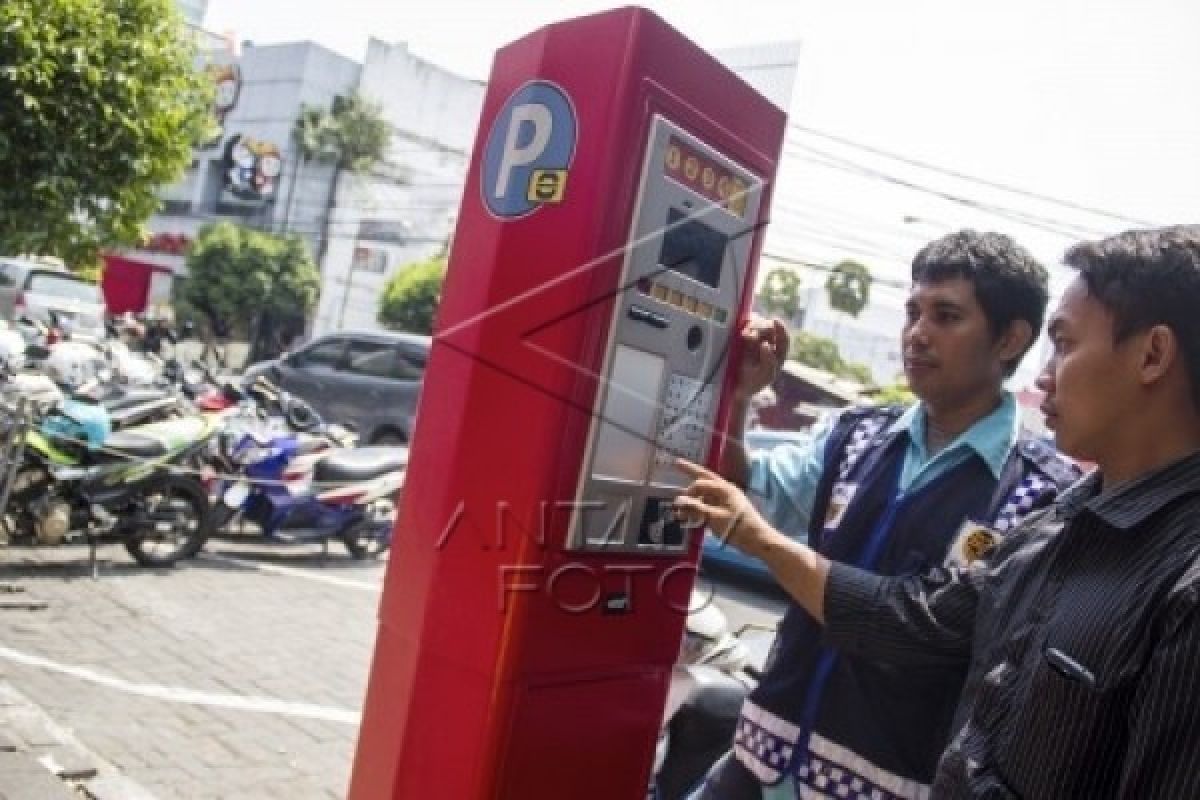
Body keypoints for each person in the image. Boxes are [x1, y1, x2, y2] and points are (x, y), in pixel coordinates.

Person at [676, 226, 1200, 798]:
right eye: (912, 312)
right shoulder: (863, 439)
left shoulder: (1042, 496)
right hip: (758, 761)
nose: (917, 335)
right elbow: (920, 621)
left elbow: (920, 624)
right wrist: (740, 397)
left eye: (946, 316)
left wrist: (760, 541)